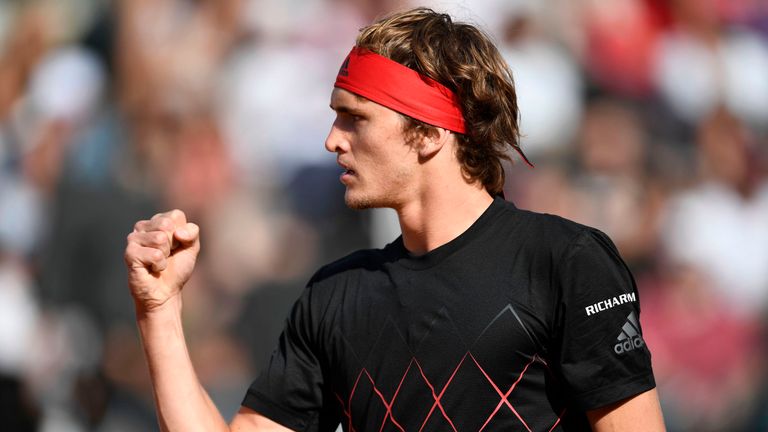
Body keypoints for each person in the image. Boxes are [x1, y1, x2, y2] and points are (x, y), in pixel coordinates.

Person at [124, 8, 665, 432]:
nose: (332, 139)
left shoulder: (564, 262)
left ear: (431, 134)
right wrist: (160, 309)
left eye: (355, 118)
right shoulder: (334, 296)